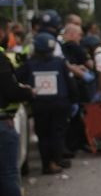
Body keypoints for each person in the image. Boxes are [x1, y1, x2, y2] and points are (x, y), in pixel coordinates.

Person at [0, 22, 56, 196]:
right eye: (7, 32)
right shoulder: (1, 58)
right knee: (8, 174)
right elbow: (9, 91)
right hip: (2, 122)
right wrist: (27, 92)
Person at [19, 33, 74, 175]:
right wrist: (74, 100)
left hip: (40, 105)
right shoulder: (59, 63)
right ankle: (54, 162)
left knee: (43, 135)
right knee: (57, 133)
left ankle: (46, 164)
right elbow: (70, 83)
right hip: (59, 104)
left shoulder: (29, 64)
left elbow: (18, 79)